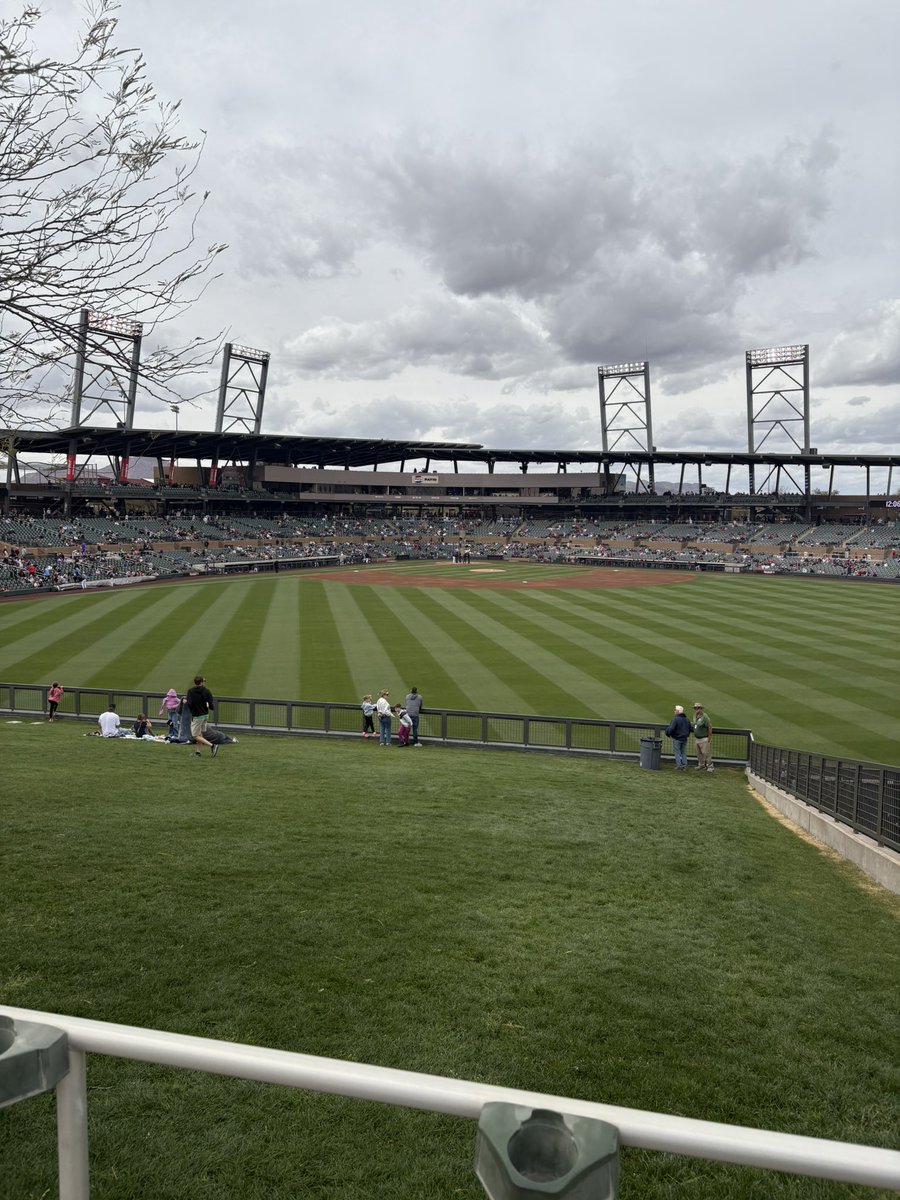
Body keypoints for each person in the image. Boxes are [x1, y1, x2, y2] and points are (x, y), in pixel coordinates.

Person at [185, 675, 217, 757]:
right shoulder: (207, 691)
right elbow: (211, 705)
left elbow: (190, 704)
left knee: (195, 735)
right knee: (199, 734)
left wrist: (189, 705)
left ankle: (212, 746)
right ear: (201, 683)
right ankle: (198, 752)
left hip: (197, 716)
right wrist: (211, 708)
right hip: (205, 715)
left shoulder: (190, 691)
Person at [664, 704, 691, 771]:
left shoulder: (675, 719)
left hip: (677, 738)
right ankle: (684, 766)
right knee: (683, 753)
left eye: (675, 710)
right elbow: (690, 729)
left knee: (677, 753)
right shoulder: (687, 719)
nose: (674, 711)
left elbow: (671, 729)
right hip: (684, 739)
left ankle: (679, 766)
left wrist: (667, 733)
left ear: (678, 711)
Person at [692, 703, 714, 771]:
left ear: (701, 709)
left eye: (698, 708)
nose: (696, 709)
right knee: (698, 754)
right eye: (695, 708)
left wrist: (709, 737)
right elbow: (695, 724)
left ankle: (710, 766)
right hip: (697, 738)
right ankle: (701, 765)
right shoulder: (695, 715)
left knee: (706, 753)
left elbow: (709, 727)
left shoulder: (705, 717)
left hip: (704, 738)